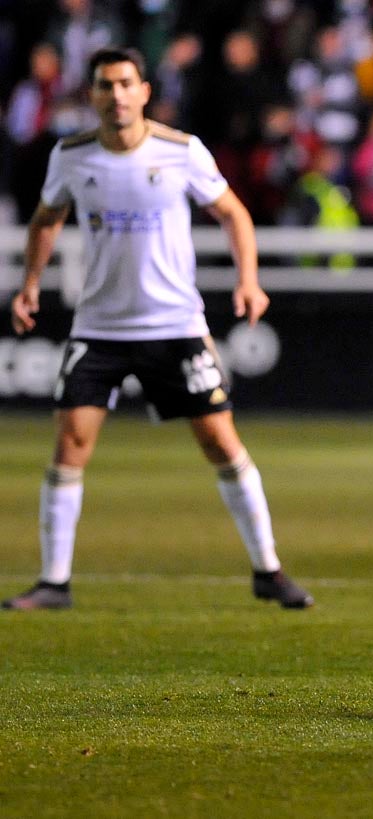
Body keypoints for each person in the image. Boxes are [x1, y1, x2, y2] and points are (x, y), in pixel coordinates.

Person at [3, 47, 313, 611]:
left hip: (174, 325)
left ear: (144, 91)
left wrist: (249, 280)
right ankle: (54, 582)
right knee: (70, 443)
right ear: (92, 94)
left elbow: (234, 213)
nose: (115, 95)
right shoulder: (71, 156)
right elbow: (47, 219)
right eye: (104, 85)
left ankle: (268, 569)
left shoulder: (181, 151)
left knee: (220, 440)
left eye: (125, 83)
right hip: (98, 326)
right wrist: (29, 285)